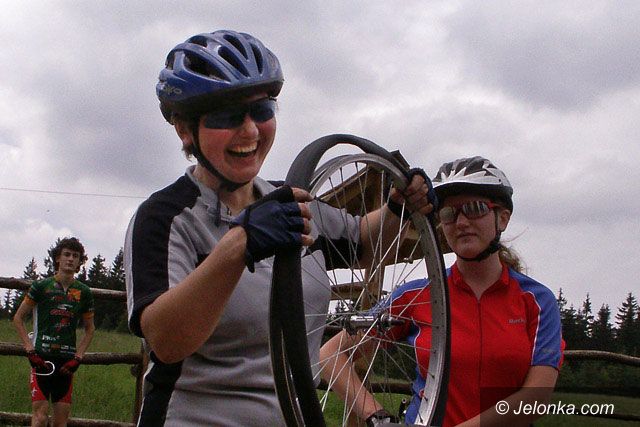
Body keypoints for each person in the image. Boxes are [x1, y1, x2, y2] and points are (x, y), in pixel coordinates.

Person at [124, 29, 434, 426]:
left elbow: (362, 243)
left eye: (262, 110)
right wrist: (240, 244)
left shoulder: (291, 201)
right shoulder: (166, 218)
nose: (250, 131)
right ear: (185, 130)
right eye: (226, 116)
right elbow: (167, 341)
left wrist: (397, 207)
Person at [320, 156, 564, 426]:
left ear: (502, 218)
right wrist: (378, 417)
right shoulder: (416, 295)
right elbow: (331, 354)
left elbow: (535, 398)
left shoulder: (537, 301)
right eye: (448, 213)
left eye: (474, 208)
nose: (461, 222)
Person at [13, 237, 95, 427]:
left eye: (75, 256)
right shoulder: (41, 286)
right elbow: (18, 318)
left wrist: (78, 358)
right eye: (66, 254)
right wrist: (29, 350)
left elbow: (90, 329)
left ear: (80, 262)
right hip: (42, 358)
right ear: (58, 258)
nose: (71, 259)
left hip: (66, 362)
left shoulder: (83, 292)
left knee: (60, 422)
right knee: (40, 417)